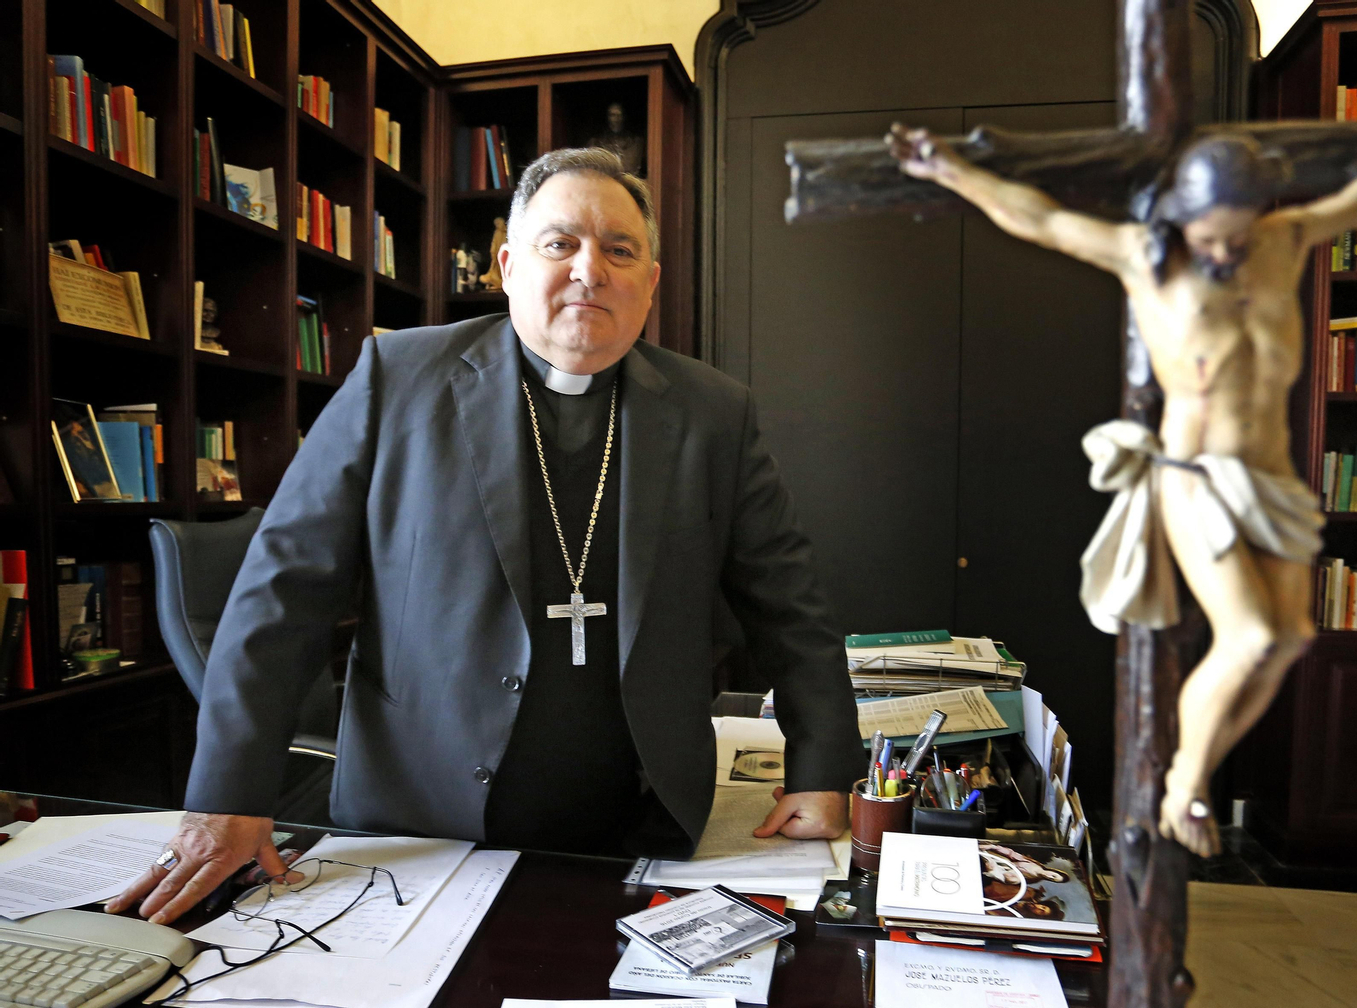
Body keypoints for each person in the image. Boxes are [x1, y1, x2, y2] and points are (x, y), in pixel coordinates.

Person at [110, 147, 857, 925]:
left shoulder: (713, 412)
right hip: (416, 821)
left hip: (636, 819)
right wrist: (228, 795)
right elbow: (283, 592)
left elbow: (788, 602)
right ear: (507, 264)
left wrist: (822, 768)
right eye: (560, 243)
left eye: (619, 250)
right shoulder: (396, 377)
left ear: (651, 282)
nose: (589, 269)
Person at [888, 114, 1357, 856]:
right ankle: (1187, 786)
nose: (1226, 251)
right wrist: (948, 169)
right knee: (1253, 634)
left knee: (1292, 638)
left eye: (1239, 234)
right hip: (1196, 478)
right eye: (1211, 236)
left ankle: (1190, 776)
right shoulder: (1148, 257)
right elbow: (1040, 219)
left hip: (1269, 478)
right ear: (1179, 216)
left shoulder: (1285, 238)